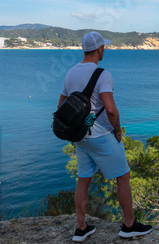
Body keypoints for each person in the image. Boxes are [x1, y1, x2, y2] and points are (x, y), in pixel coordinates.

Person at [57, 31, 152, 242]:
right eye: (104, 47)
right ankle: (128, 226)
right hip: (101, 137)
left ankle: (81, 228)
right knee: (123, 177)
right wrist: (117, 130)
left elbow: (60, 106)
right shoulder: (103, 74)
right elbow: (110, 109)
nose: (104, 50)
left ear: (84, 49)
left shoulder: (71, 73)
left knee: (83, 179)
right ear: (100, 49)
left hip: (80, 137)